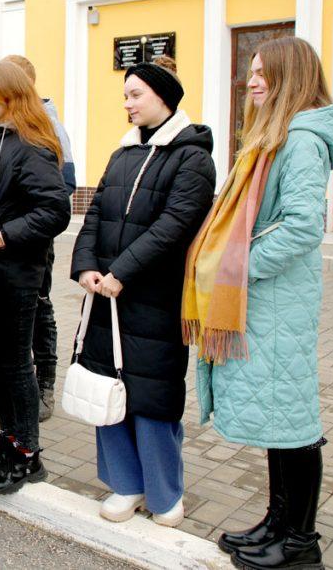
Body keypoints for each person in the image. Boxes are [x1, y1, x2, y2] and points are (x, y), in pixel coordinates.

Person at [189, 37, 333, 570]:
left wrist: (238, 266)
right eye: (251, 72)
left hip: (279, 299)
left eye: (263, 74)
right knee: (281, 417)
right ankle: (277, 524)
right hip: (268, 300)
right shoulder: (277, 136)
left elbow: (303, 226)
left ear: (290, 78)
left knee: (295, 422)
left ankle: (301, 543)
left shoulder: (301, 140)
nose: (251, 81)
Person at [70, 58, 216, 527]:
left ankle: (165, 492)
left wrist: (122, 272)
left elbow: (175, 225)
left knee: (152, 396)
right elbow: (94, 217)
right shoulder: (122, 153)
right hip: (106, 297)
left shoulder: (192, 156)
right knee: (107, 387)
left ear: (163, 97)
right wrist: (86, 267)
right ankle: (125, 485)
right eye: (125, 96)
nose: (127, 104)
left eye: (135, 95)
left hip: (154, 297)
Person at [0, 62, 70, 494]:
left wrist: (5, 236)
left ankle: (27, 455)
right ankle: (8, 443)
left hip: (14, 277)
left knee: (15, 367)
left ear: (11, 96)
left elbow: (56, 210)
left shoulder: (31, 146)